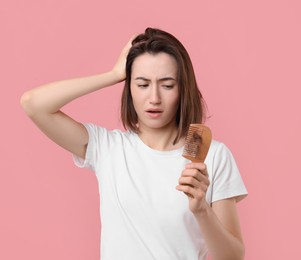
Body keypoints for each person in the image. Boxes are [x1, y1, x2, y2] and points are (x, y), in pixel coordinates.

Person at [21, 27, 248, 260]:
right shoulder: (108, 148)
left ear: (183, 88)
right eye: (142, 84)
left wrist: (201, 210)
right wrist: (113, 74)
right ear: (129, 88)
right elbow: (34, 104)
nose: (154, 98)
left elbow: (233, 257)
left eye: (167, 85)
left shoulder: (213, 156)